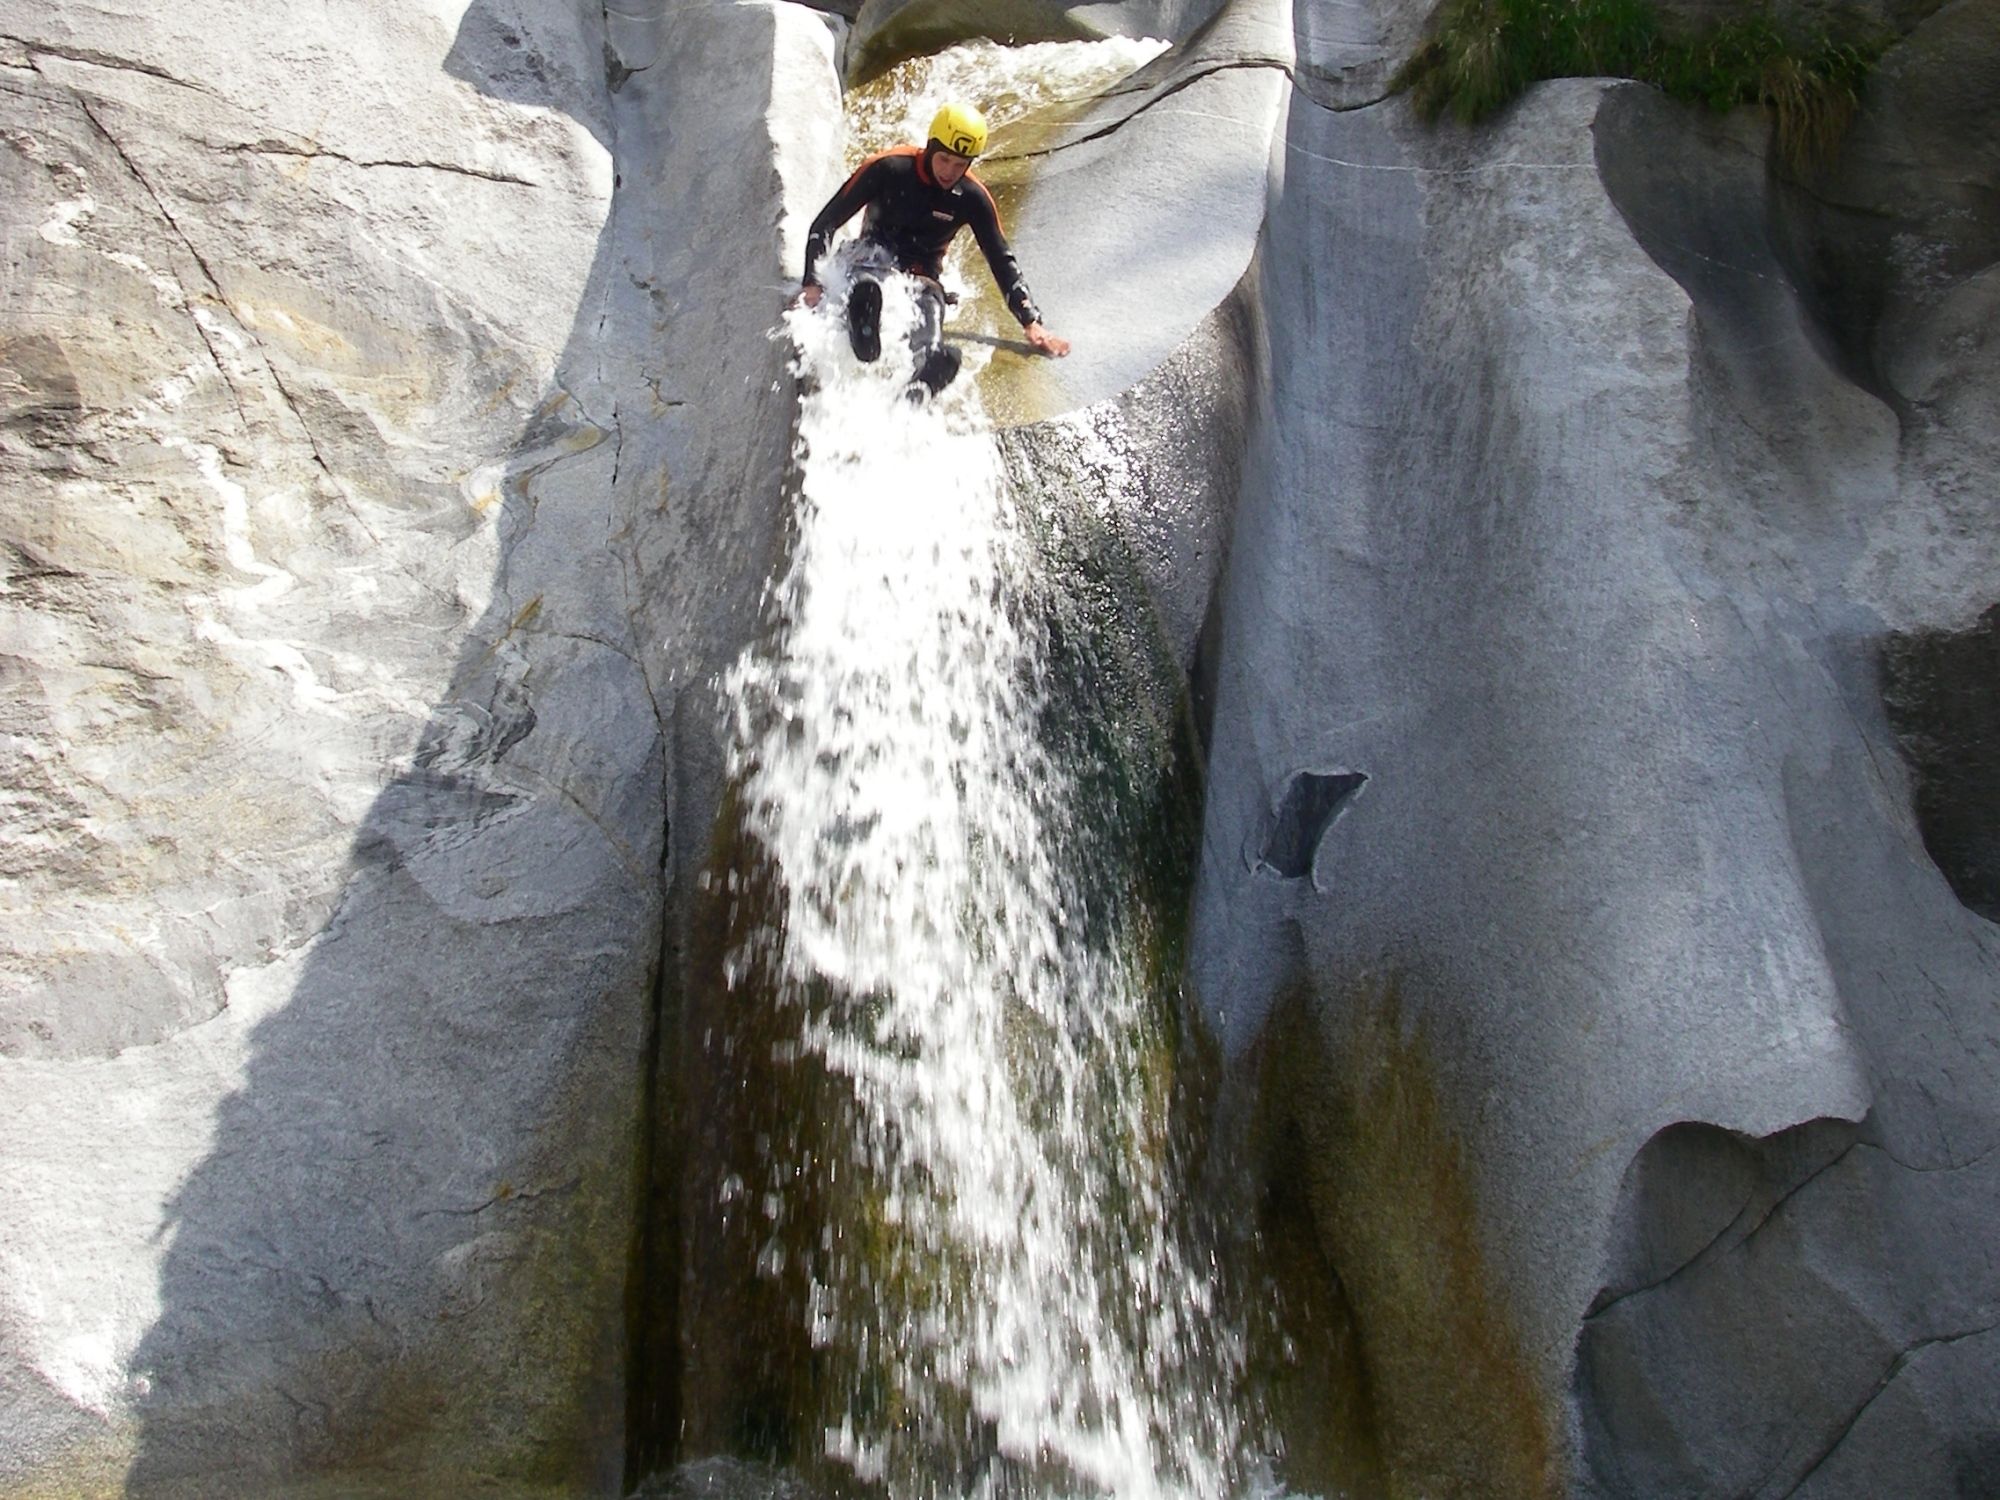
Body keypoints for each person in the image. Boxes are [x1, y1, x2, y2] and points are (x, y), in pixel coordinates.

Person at [797, 101, 1071, 396]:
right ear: (930, 147)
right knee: (866, 282)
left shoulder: (971, 197)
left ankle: (924, 374)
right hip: (869, 258)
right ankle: (863, 333)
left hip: (921, 274)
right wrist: (811, 282)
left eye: (960, 164)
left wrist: (1031, 321)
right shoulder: (889, 167)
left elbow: (1000, 258)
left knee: (929, 301)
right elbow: (825, 223)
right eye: (944, 159)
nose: (949, 171)